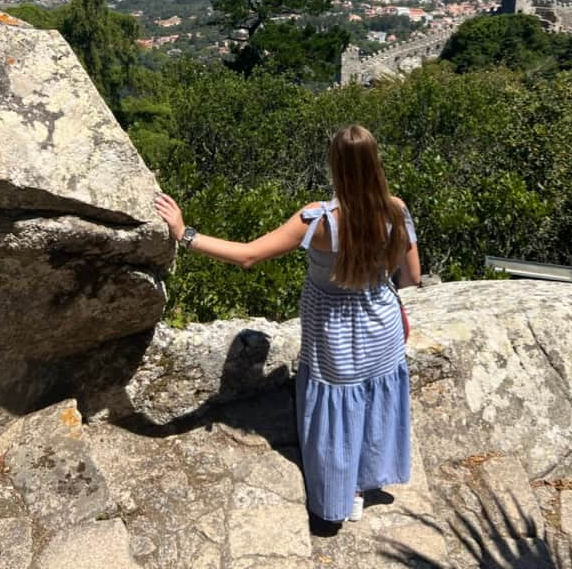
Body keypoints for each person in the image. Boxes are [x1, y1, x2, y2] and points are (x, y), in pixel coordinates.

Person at [155, 123, 421, 523]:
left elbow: (248, 255)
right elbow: (412, 278)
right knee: (371, 400)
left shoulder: (319, 221)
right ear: (375, 163)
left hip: (335, 334)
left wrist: (184, 233)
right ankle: (366, 483)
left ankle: (340, 497)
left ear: (335, 166)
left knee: (338, 407)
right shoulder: (396, 210)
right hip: (381, 328)